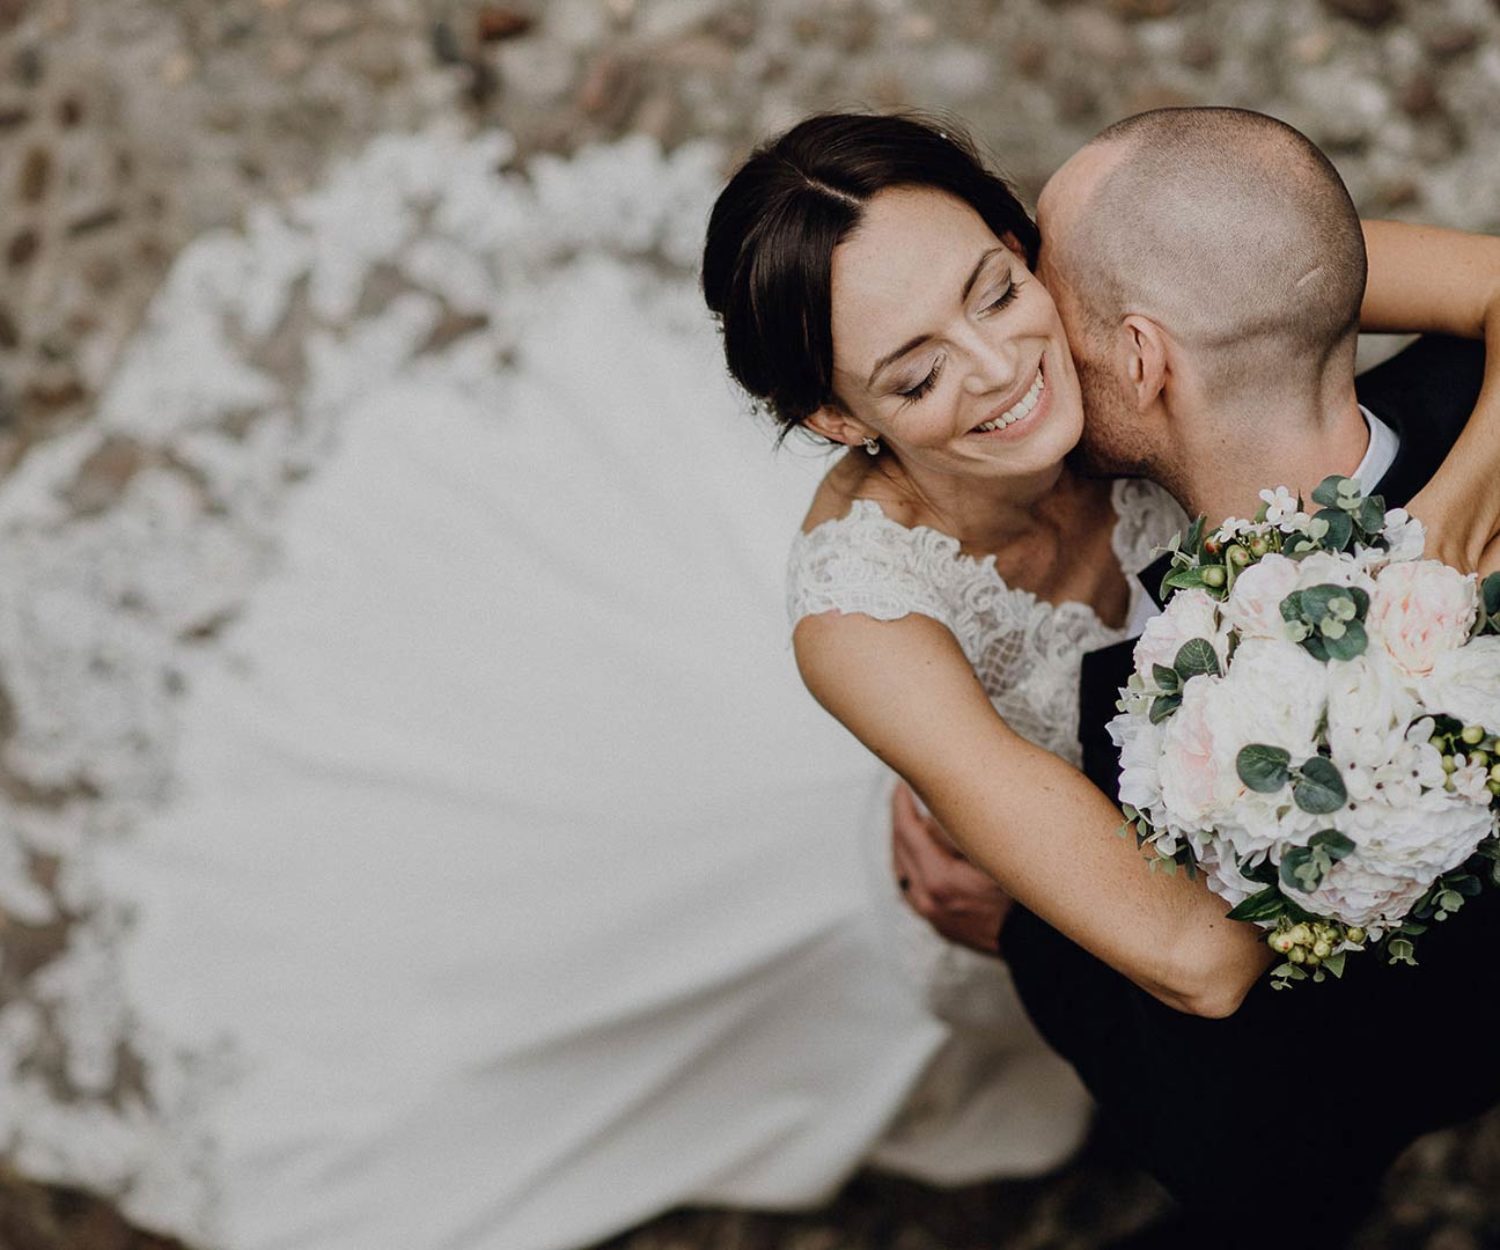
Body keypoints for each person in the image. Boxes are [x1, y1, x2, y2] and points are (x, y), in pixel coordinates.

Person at [891, 108, 1500, 1246]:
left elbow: (1236, 1151)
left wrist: (1024, 923)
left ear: (1139, 357)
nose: (1021, 357)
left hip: (1347, 1109)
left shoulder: (1155, 752)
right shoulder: (1474, 384)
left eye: (1045, 309)